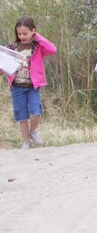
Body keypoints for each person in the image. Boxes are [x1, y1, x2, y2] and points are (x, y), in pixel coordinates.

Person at [0, 17, 57, 149]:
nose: (22, 36)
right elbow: (5, 64)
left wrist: (37, 37)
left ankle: (33, 132)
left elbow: (52, 49)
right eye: (19, 34)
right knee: (21, 114)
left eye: (25, 33)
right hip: (17, 86)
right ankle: (26, 142)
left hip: (33, 86)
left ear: (33, 31)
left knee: (36, 111)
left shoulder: (38, 46)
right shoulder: (12, 46)